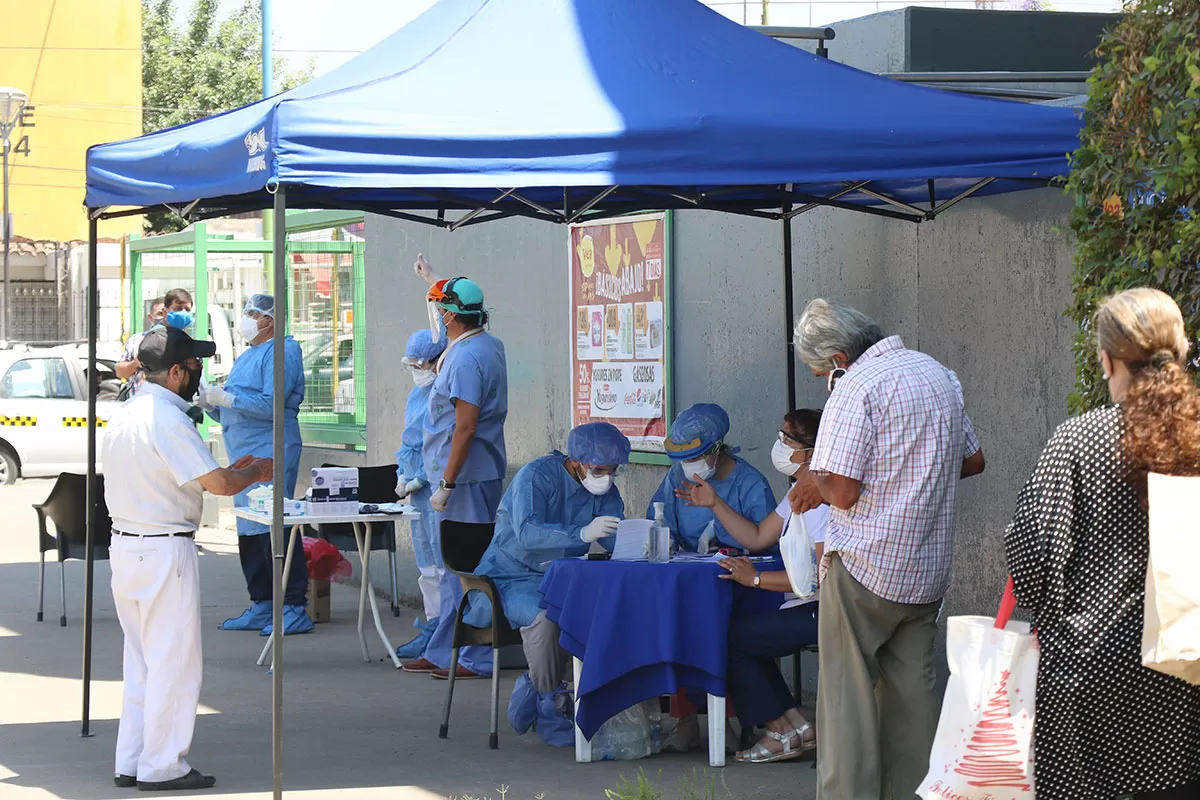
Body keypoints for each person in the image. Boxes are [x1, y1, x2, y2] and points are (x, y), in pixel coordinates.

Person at [1005, 288, 1200, 800]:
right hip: (1186, 668)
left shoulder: (1078, 440)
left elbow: (1032, 555)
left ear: (1107, 360)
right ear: (1178, 353)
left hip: (1090, 675)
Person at [790, 298, 985, 800]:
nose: (821, 381)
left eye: (818, 372)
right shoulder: (939, 374)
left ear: (836, 359)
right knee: (913, 703)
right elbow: (973, 460)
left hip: (864, 565)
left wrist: (815, 482)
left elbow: (844, 491)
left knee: (846, 701)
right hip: (924, 567)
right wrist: (911, 480)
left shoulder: (857, 387)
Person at [102, 327, 273, 791]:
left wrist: (233, 472)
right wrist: (254, 471)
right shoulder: (167, 418)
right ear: (175, 372)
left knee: (141, 662)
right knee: (174, 664)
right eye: (193, 366)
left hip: (127, 545)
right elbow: (216, 484)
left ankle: (133, 760)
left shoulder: (127, 413)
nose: (199, 374)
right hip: (164, 549)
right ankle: (163, 766)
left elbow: (193, 475)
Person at [460, 421, 629, 745]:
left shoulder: (605, 489)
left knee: (605, 613)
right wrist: (581, 534)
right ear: (575, 460)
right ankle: (551, 702)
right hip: (508, 577)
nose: (605, 477)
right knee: (546, 617)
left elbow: (614, 538)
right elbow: (527, 533)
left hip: (565, 576)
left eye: (611, 470)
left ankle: (563, 691)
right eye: (598, 469)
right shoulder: (536, 477)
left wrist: (643, 541)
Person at [678, 409, 825, 763]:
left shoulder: (821, 499)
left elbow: (823, 575)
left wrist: (755, 579)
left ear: (812, 449)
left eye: (788, 440)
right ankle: (796, 726)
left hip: (825, 607)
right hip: (804, 602)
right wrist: (715, 503)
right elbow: (758, 537)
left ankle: (778, 731)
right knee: (742, 632)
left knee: (732, 639)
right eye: (781, 435)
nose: (780, 445)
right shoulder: (798, 492)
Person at [401, 268, 508, 681]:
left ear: (448, 316)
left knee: (469, 567)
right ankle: (446, 647)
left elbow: (465, 425)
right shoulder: (484, 344)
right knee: (453, 568)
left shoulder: (466, 357)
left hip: (465, 476)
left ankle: (474, 656)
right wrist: (436, 278)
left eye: (438, 309)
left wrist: (446, 481)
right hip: (467, 472)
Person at [203, 294, 312, 636]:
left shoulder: (283, 351)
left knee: (274, 527)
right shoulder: (250, 354)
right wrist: (211, 403)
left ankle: (294, 606)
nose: (246, 319)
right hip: (244, 449)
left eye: (252, 313)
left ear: (271, 319)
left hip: (270, 447)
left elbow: (271, 405)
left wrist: (229, 398)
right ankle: (262, 603)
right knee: (250, 529)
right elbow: (236, 406)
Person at [648, 403, 775, 554]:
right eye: (684, 459)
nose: (688, 465)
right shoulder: (677, 476)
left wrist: (726, 539)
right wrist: (664, 541)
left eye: (695, 457)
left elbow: (769, 541)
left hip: (741, 572)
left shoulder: (751, 484)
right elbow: (660, 516)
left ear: (716, 448)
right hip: (689, 569)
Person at [392, 328, 448, 660]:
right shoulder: (418, 396)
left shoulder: (444, 395)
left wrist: (423, 477)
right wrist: (405, 474)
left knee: (443, 566)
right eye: (410, 363)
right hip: (419, 493)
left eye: (420, 363)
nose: (416, 368)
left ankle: (444, 632)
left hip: (439, 490)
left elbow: (443, 446)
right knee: (427, 565)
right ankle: (433, 626)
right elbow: (410, 441)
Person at [116, 289, 193, 397]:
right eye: (178, 309)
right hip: (142, 403)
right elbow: (120, 371)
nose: (183, 314)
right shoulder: (138, 340)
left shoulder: (190, 344)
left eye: (187, 310)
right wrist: (140, 361)